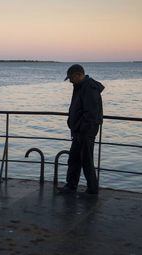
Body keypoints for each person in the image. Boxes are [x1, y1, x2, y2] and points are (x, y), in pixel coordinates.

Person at [58, 64, 104, 195]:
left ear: (78, 74)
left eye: (71, 77)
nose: (70, 81)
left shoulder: (89, 88)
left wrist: (81, 128)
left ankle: (92, 189)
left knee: (86, 160)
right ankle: (71, 186)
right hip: (80, 130)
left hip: (85, 131)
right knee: (75, 158)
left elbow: (90, 113)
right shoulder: (80, 86)